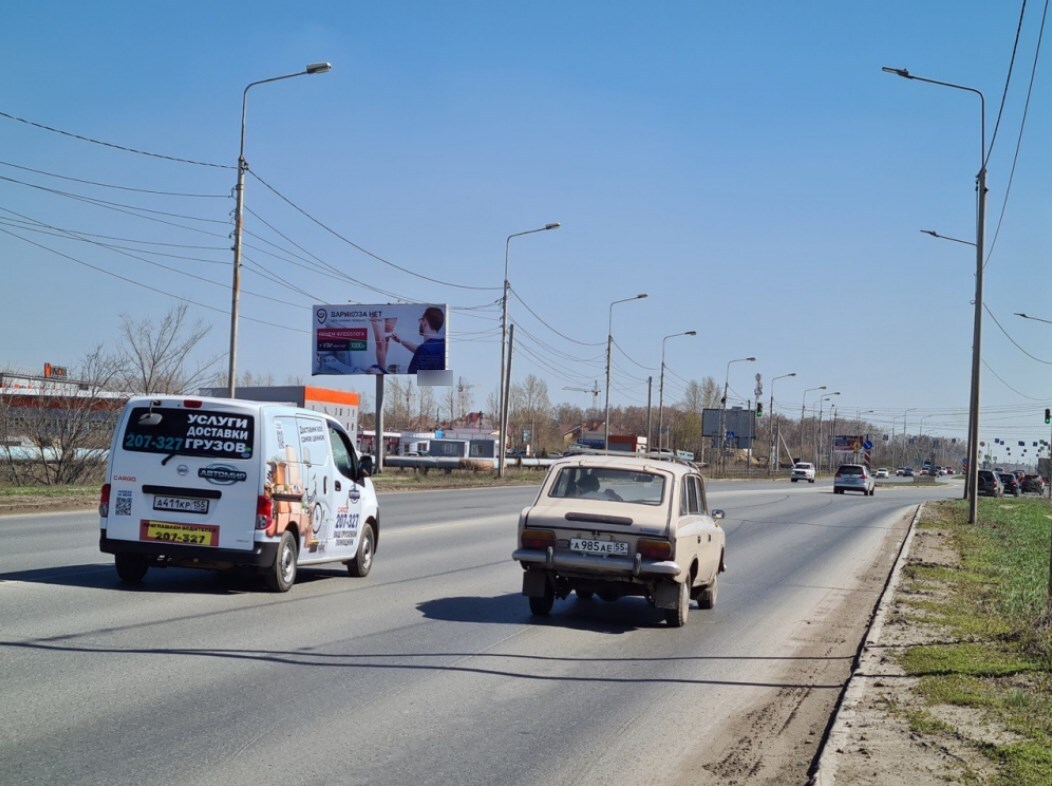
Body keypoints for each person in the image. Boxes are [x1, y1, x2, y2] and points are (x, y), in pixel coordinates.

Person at [390, 307, 446, 372]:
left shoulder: (424, 350)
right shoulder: (443, 344)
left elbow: (413, 375)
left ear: (425, 321)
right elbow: (421, 350)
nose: (420, 322)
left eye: (421, 320)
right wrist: (400, 340)